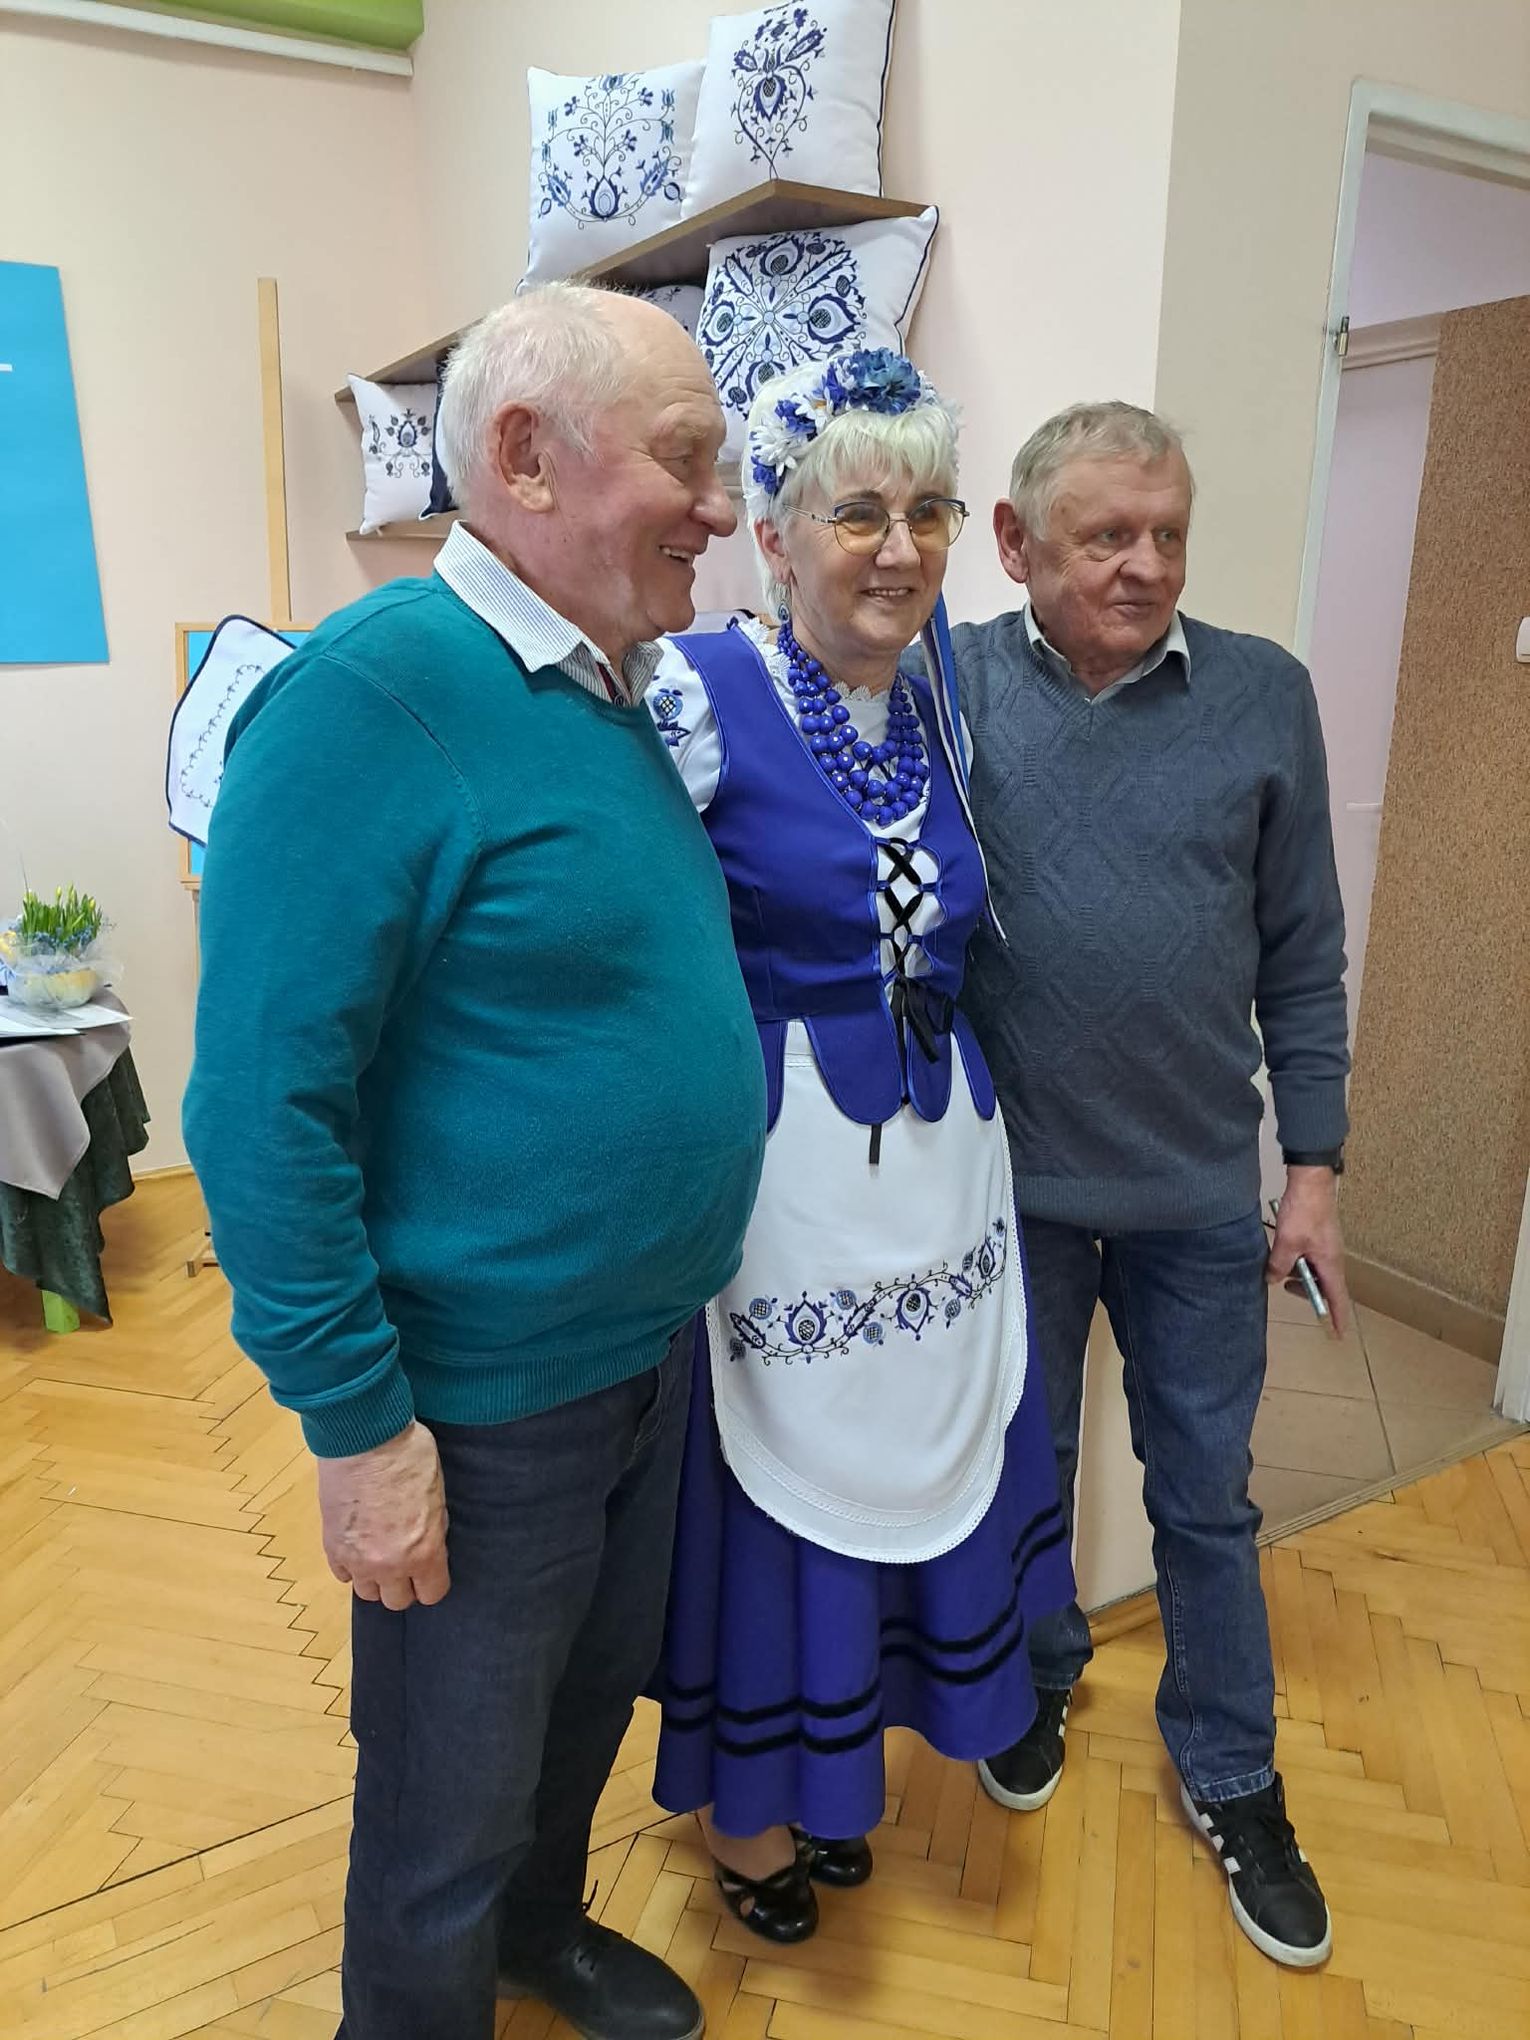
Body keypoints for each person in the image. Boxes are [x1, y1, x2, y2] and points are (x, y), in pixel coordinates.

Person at [183, 284, 767, 2040]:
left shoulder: (603, 684)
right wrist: (359, 1430)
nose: (723, 507)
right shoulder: (372, 700)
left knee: (577, 1715)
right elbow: (259, 1109)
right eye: (688, 458)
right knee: (443, 1798)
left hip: (641, 1356)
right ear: (523, 456)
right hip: (483, 1397)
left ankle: (539, 1934)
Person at [644, 350, 1073, 1945]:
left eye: (927, 511)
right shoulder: (691, 693)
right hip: (783, 1181)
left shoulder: (939, 698)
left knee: (913, 1457)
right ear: (771, 535)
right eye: (857, 514)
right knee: (780, 1484)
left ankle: (836, 1777)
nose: (900, 547)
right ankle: (745, 1810)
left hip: (942, 1168)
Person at [941, 400, 1350, 1970]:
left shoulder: (1261, 695)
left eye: (1165, 533)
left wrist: (1309, 1169)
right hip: (1009, 1191)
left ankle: (1231, 1771)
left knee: (1205, 1497)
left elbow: (1300, 954)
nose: (1144, 565)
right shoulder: (951, 685)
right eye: (1105, 535)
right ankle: (1036, 1671)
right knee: (1023, 1471)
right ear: (1014, 543)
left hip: (1192, 1192)